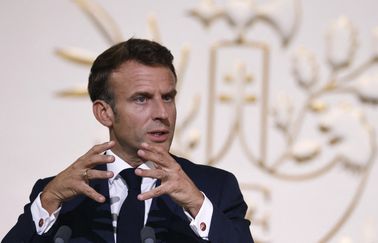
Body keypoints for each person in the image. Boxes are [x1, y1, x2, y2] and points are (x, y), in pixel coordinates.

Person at [3, 38, 253, 243]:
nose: (162, 114)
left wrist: (198, 206)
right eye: (142, 99)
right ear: (105, 112)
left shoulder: (215, 189)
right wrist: (48, 201)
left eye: (167, 97)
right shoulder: (61, 196)